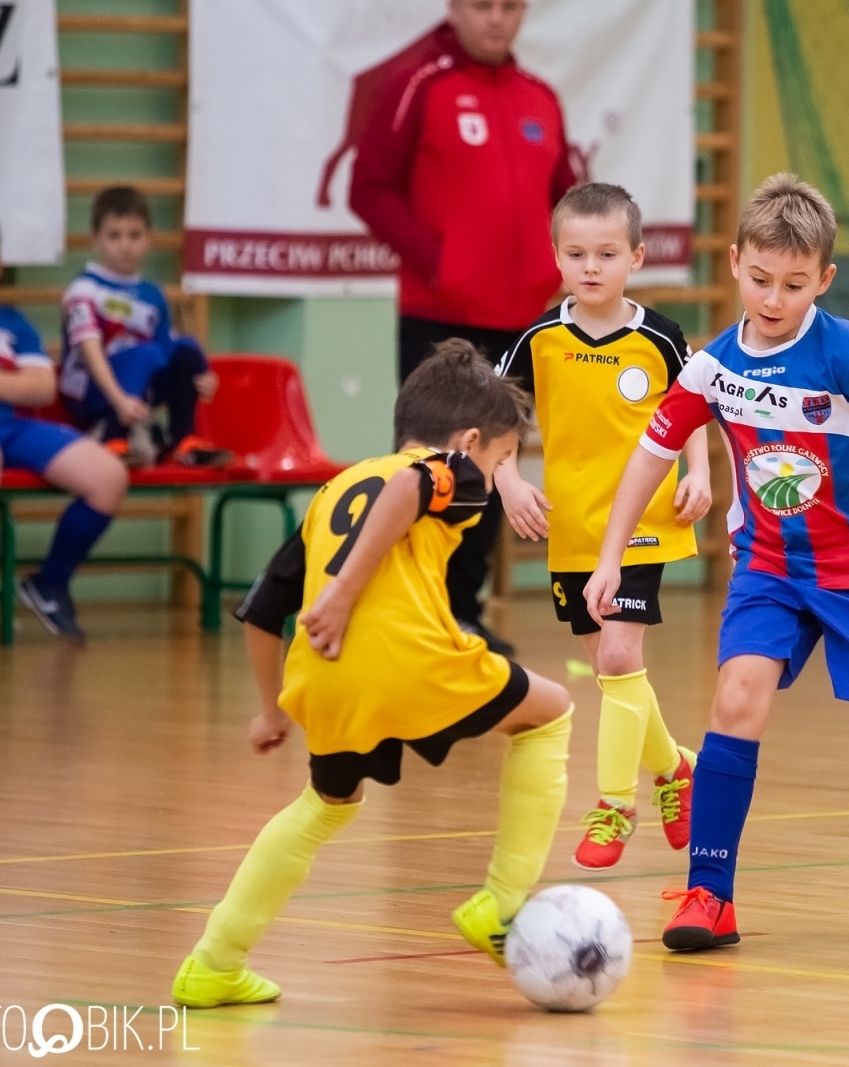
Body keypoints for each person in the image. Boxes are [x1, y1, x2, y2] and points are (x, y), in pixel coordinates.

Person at [585, 174, 849, 951]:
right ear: (735, 263)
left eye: (795, 285)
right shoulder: (713, 365)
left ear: (823, 280)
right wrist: (610, 557)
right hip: (767, 567)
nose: (773, 298)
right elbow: (649, 455)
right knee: (737, 699)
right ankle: (710, 893)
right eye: (761, 279)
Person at [173, 343, 573, 1008]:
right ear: (471, 440)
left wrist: (271, 710)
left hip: (325, 677)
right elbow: (412, 488)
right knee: (553, 710)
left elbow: (261, 608)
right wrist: (341, 594)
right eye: (503, 458)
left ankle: (214, 959)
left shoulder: (332, 490)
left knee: (324, 806)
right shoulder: (454, 469)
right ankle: (500, 904)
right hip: (410, 658)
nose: (498, 473)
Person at [349, 0, 578, 656]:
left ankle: (462, 614)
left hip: (519, 324)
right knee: (434, 470)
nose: (497, 20)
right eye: (482, 6)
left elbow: (567, 198)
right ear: (455, 8)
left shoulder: (540, 98)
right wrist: (439, 260)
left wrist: (557, 266)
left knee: (496, 469)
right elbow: (370, 187)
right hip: (436, 318)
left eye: (510, 7)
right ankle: (413, 616)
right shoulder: (419, 84)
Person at [496, 183, 711, 870]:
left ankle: (615, 804)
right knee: (610, 668)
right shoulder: (540, 338)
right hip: (574, 528)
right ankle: (676, 766)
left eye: (607, 253)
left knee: (620, 658)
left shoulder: (660, 337)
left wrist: (699, 473)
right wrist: (506, 480)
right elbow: (493, 418)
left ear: (636, 256)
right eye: (577, 253)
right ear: (557, 258)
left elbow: (694, 407)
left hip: (645, 521)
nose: (591, 266)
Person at [0, 206, 127, 645]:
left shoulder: (12, 324)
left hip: (10, 425)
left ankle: (50, 583)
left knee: (108, 475)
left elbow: (40, 387)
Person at [59, 186, 230, 468]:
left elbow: (168, 351)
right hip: (90, 391)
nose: (125, 245)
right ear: (95, 240)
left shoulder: (153, 295)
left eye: (134, 235)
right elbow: (90, 350)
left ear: (148, 239)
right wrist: (119, 401)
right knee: (145, 354)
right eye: (114, 236)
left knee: (187, 348)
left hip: (137, 389)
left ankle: (184, 441)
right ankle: (111, 434)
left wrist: (200, 375)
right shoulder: (84, 289)